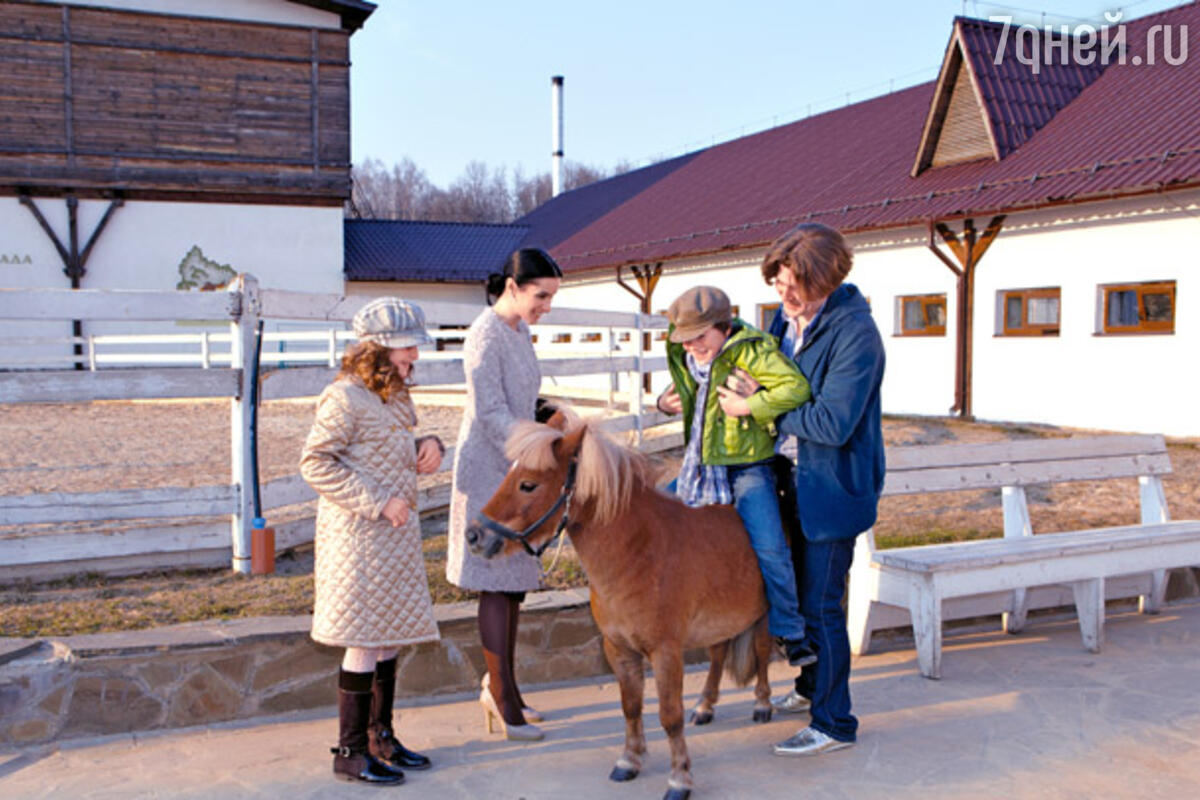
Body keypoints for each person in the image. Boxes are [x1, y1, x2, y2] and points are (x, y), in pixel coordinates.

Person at [732, 223, 885, 757]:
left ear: (828, 278)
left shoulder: (855, 335)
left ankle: (834, 722)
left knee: (822, 606)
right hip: (786, 481)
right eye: (778, 282)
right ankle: (808, 688)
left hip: (831, 490)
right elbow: (758, 371)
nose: (785, 295)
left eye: (796, 285)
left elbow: (833, 423)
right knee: (793, 595)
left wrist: (761, 404)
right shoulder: (787, 319)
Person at [300, 297, 447, 785]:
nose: (415, 357)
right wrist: (379, 500)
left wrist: (428, 445)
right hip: (360, 538)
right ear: (380, 349)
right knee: (363, 640)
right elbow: (316, 462)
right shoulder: (343, 396)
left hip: (393, 537)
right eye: (409, 347)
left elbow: (384, 446)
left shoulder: (392, 393)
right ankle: (350, 750)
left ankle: (381, 737)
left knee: (388, 638)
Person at [655, 285, 816, 667]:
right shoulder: (690, 357)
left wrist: (751, 403)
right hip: (701, 467)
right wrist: (663, 403)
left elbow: (797, 388)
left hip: (747, 467)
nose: (692, 346)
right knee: (650, 517)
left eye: (699, 337)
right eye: (685, 339)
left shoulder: (753, 351)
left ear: (723, 327)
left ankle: (789, 631)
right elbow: (683, 395)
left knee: (772, 547)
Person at [445, 247, 563, 741]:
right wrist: (534, 443)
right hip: (490, 469)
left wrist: (553, 414)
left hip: (518, 466)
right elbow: (490, 410)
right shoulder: (485, 335)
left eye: (552, 297)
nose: (547, 306)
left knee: (513, 585)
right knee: (495, 581)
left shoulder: (520, 331)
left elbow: (519, 400)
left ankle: (506, 690)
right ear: (513, 288)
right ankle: (500, 694)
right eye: (541, 296)